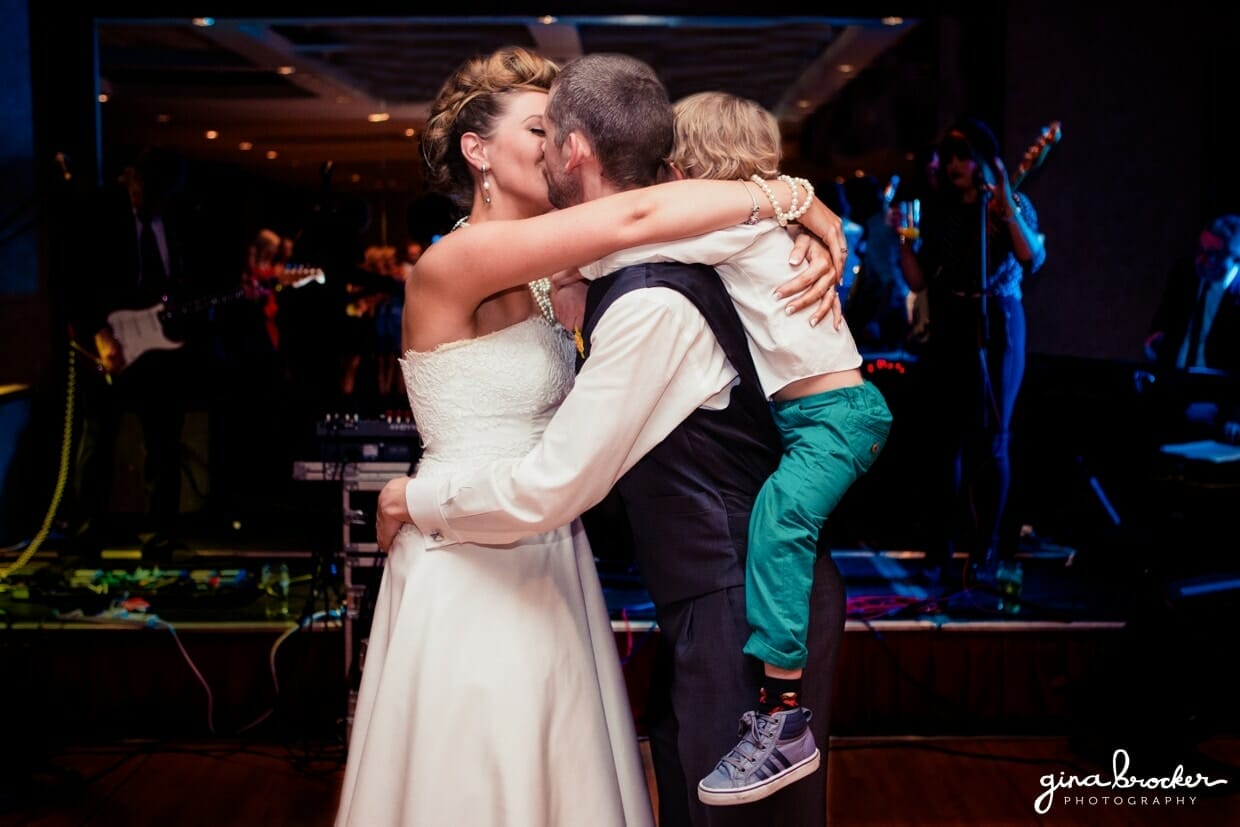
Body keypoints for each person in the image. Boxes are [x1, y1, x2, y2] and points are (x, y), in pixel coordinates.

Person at [336, 47, 845, 827]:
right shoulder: (456, 261)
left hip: (550, 549)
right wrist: (790, 196)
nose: (552, 145)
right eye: (536, 128)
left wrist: (790, 221)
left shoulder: (565, 267)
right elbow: (635, 212)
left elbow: (646, 222)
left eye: (554, 132)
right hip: (464, 553)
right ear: (477, 151)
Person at [561, 90, 892, 805]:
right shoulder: (758, 231)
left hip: (834, 416)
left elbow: (636, 235)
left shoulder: (733, 229)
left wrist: (557, 267)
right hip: (818, 417)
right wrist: (803, 205)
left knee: (780, 519)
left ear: (683, 168)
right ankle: (779, 713)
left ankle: (781, 715)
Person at [898, 116, 1046, 586]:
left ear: (985, 160)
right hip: (950, 320)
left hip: (998, 322)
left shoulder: (1012, 203)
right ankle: (939, 550)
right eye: (952, 157)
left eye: (965, 157)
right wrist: (903, 240)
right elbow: (919, 282)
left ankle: (984, 551)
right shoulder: (941, 209)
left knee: (994, 439)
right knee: (943, 442)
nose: (956, 166)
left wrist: (1006, 202)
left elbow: (1032, 258)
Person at [63, 147, 200, 561]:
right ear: (131, 179)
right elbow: (74, 279)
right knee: (98, 437)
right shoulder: (101, 213)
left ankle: (161, 534)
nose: (149, 200)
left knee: (162, 441)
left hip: (157, 349)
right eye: (146, 189)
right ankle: (87, 531)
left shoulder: (172, 221)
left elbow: (179, 279)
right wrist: (96, 336)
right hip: (109, 342)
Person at [1141, 213, 1240, 445]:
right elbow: (1162, 321)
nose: (1203, 260)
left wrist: (1234, 414)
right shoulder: (1185, 274)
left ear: (1235, 258)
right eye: (1201, 250)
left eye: (1214, 255)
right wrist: (1156, 341)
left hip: (1218, 402)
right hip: (1175, 390)